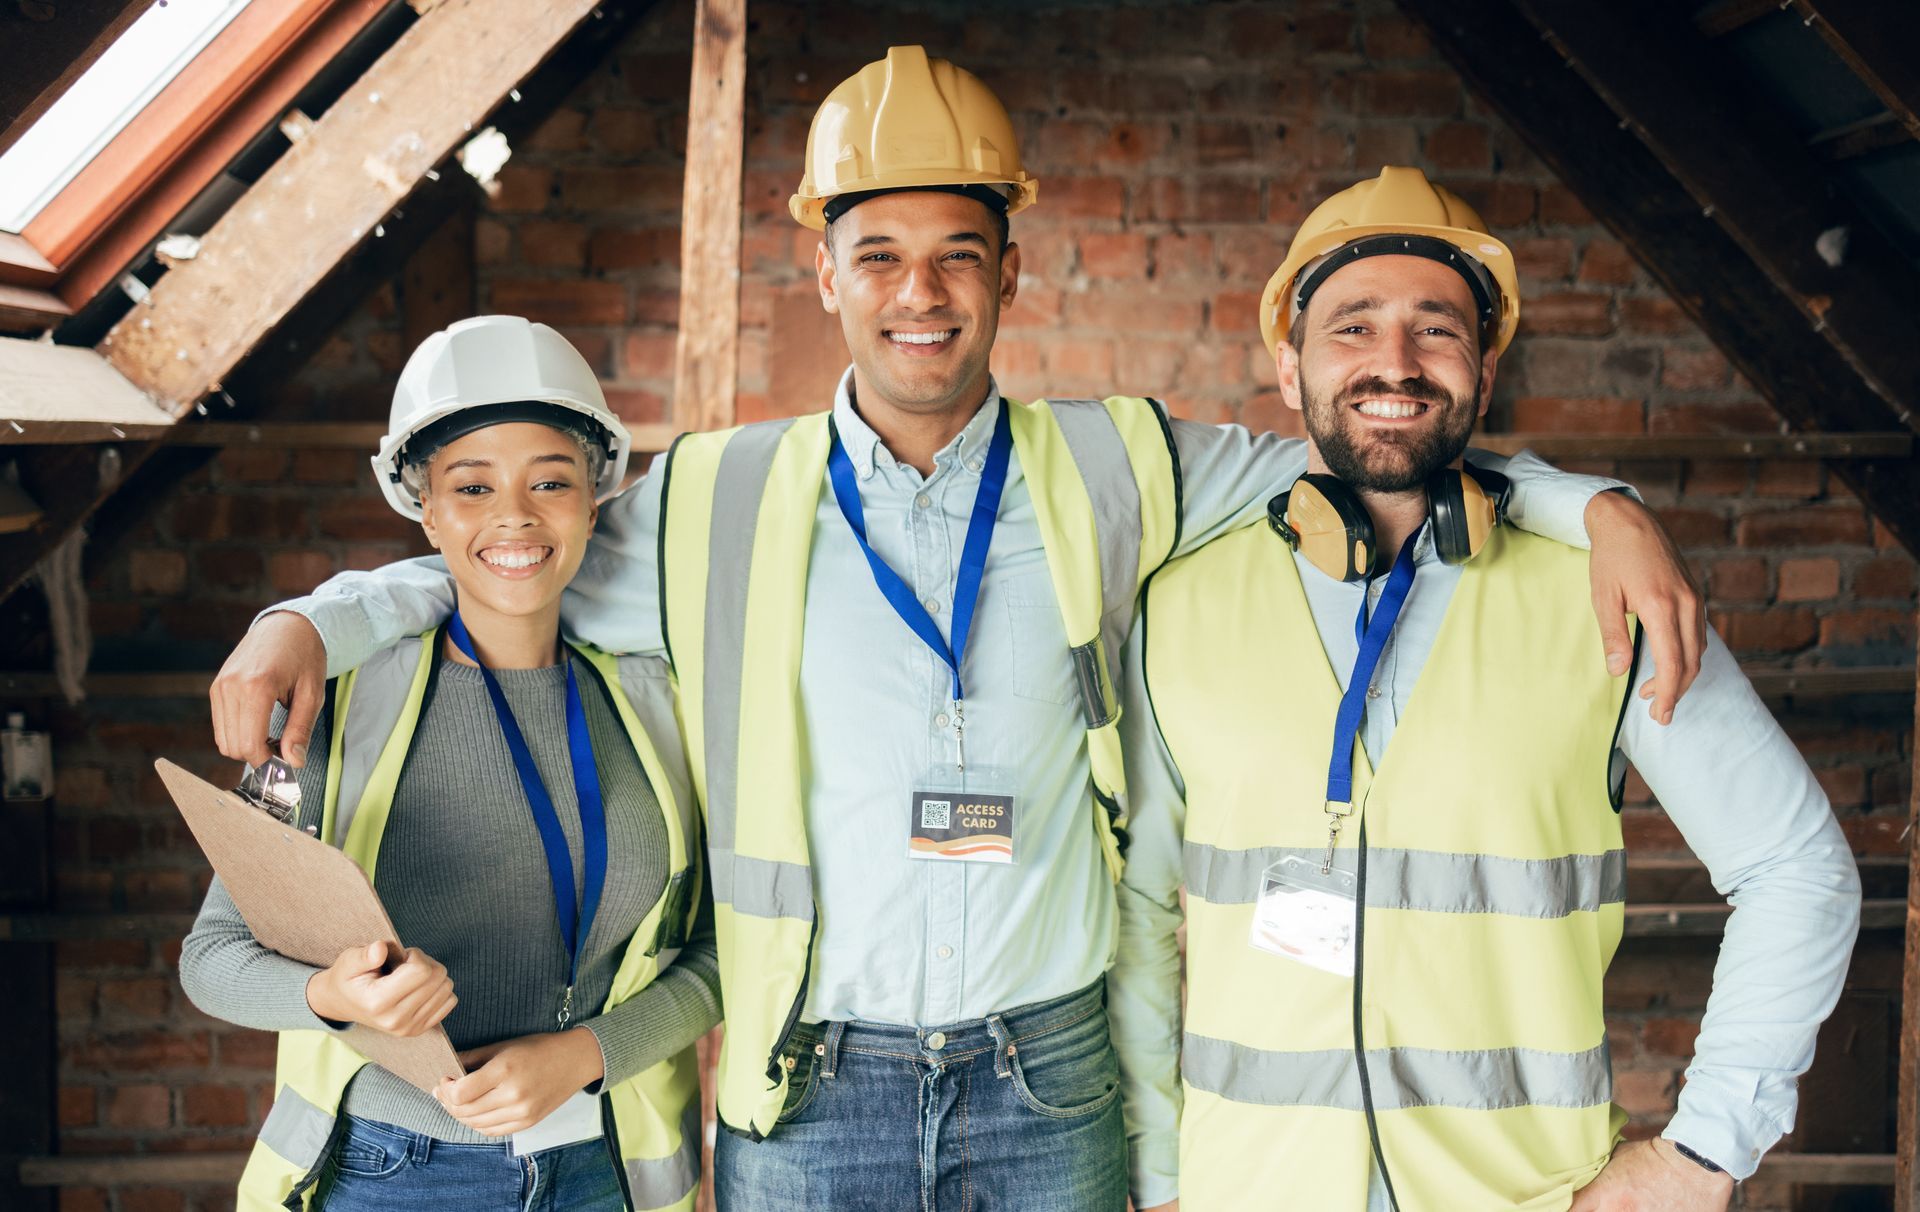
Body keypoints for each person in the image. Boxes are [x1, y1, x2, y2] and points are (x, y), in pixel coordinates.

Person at [207, 51, 1706, 1212]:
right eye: (878, 255)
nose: (918, 294)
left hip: (1048, 1078)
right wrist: (310, 619)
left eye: (956, 255)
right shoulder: (713, 498)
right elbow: (506, 548)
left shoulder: (1129, 464)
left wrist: (1594, 501)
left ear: (1008, 268)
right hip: (809, 1090)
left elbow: (1381, 444)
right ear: (826, 271)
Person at [1108, 167, 1863, 1212]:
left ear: (1486, 367)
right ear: (1288, 368)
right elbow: (1138, 913)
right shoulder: (1180, 605)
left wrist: (1701, 1159)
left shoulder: (1603, 594)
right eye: (1352, 328)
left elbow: (1797, 867)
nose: (1396, 363)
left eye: (1437, 330)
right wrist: (1156, 1179)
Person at [180, 316, 719, 1212]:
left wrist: (587, 1053)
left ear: (594, 501)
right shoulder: (342, 704)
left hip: (601, 1173)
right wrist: (331, 994)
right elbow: (212, 959)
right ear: (424, 509)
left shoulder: (658, 703)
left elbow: (712, 955)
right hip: (392, 1177)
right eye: (472, 487)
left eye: (551, 481)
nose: (515, 514)